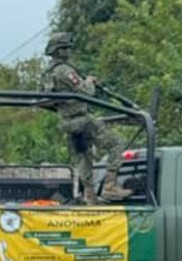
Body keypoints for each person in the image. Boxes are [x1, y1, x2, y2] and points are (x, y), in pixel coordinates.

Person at [42, 32, 131, 204]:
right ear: (59, 50)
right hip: (81, 119)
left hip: (66, 122)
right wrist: (89, 81)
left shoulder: (48, 73)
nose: (69, 51)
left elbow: (46, 101)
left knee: (84, 156)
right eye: (66, 48)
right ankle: (110, 186)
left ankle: (89, 195)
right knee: (116, 143)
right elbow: (87, 92)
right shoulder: (65, 71)